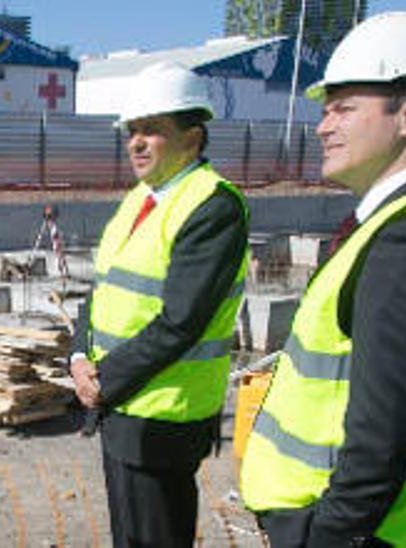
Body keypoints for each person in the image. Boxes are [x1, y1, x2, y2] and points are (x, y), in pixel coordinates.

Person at [240, 12, 406, 547]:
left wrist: (320, 535)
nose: (323, 126)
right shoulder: (404, 224)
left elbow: (381, 439)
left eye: (344, 109)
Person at [69, 61, 250, 547]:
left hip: (164, 416)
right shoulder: (140, 198)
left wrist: (103, 381)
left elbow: (180, 322)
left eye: (152, 131)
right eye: (132, 131)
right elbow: (103, 286)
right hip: (122, 407)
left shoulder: (213, 206)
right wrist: (79, 356)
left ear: (192, 138)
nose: (136, 142)